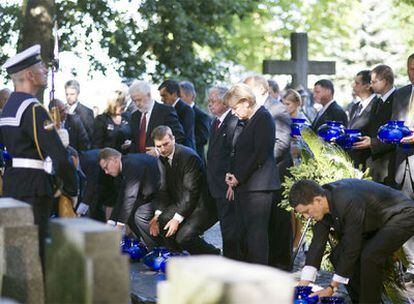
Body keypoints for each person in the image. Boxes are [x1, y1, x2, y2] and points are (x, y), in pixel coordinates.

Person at [0, 44, 78, 265]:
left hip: (13, 184)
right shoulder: (34, 109)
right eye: (41, 66)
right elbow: (60, 158)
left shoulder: (8, 108)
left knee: (16, 253)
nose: (45, 69)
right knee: (36, 255)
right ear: (28, 74)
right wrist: (71, 189)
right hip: (34, 188)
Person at [290, 178, 414, 303]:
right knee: (337, 256)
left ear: (317, 200)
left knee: (370, 256)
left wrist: (332, 287)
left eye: (306, 211)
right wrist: (303, 285)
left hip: (403, 215)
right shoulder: (323, 202)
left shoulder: (347, 200)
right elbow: (317, 244)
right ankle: (359, 299)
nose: (306, 217)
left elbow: (352, 246)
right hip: (376, 221)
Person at [224, 83, 280, 265]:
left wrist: (238, 176)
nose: (233, 113)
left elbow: (260, 154)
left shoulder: (263, 118)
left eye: (234, 108)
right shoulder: (250, 120)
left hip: (259, 187)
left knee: (256, 236)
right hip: (247, 185)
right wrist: (233, 175)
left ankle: (259, 277)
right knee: (245, 234)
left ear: (246, 102)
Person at [243, 76, 293, 269]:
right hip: (257, 175)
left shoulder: (277, 109)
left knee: (278, 220)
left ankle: (281, 263)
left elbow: (281, 144)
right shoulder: (251, 110)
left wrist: (255, 161)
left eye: (249, 90)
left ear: (262, 90)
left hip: (276, 173)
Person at [148, 126, 219, 255]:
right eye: (158, 146)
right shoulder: (161, 159)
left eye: (166, 144)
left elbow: (191, 192)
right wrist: (157, 215)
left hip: (202, 205)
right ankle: (176, 255)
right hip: (182, 202)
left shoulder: (188, 157)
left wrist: (177, 219)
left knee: (184, 237)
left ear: (173, 139)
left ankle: (213, 254)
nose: (162, 149)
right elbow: (163, 189)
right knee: (162, 220)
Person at [98, 148, 160, 249]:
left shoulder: (131, 164)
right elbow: (122, 197)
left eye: (106, 167)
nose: (106, 172)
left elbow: (130, 197)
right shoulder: (125, 164)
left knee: (139, 214)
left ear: (114, 160)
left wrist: (119, 227)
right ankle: (146, 244)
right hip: (151, 195)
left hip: (163, 196)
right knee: (129, 214)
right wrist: (111, 222)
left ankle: (155, 247)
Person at [206, 85, 239, 259]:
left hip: (227, 184)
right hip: (215, 183)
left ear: (225, 102)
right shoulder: (215, 122)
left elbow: (233, 153)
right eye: (209, 101)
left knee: (230, 228)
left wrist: (232, 182)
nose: (209, 104)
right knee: (225, 226)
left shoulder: (233, 121)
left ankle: (231, 261)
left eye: (213, 101)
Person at [390, 53, 414, 283]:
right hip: (402, 164)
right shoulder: (401, 94)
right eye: (409, 68)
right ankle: (412, 265)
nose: (412, 72)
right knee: (406, 214)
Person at [353, 65, 396, 185]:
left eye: (374, 82)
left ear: (385, 81)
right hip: (374, 163)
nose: (371, 85)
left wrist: (373, 142)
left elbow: (395, 132)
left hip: (389, 163)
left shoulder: (397, 99)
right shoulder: (377, 102)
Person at [128, 80, 186, 155]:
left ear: (148, 95)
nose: (137, 104)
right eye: (134, 101)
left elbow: (178, 137)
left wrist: (159, 151)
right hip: (139, 162)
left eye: (139, 100)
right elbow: (136, 141)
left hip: (160, 162)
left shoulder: (166, 111)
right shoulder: (135, 116)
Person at [347, 70, 376, 170]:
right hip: (354, 160)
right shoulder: (355, 107)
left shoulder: (377, 105)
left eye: (357, 83)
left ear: (368, 86)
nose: (353, 85)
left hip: (369, 162)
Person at [179, 81, 211, 166]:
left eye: (180, 96)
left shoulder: (201, 116)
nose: (178, 100)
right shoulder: (175, 113)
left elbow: (203, 138)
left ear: (189, 96)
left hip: (195, 161)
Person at [158, 79, 195, 149]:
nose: (162, 99)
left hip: (184, 152)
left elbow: (185, 135)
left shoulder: (186, 110)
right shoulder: (165, 110)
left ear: (174, 94)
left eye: (164, 96)